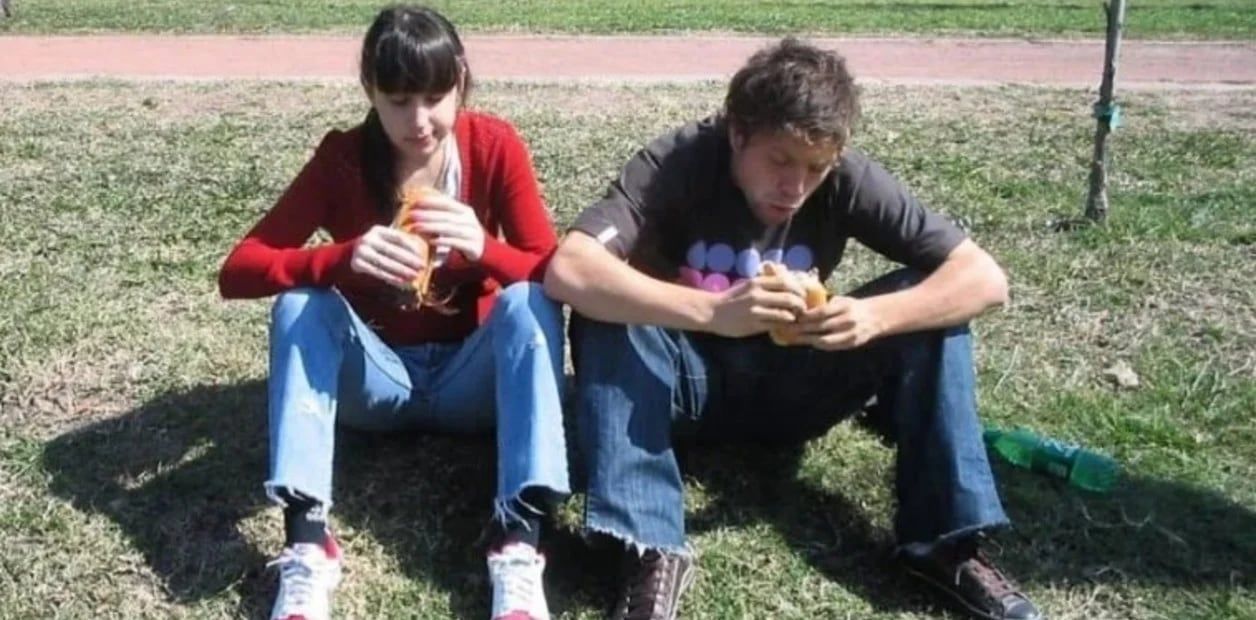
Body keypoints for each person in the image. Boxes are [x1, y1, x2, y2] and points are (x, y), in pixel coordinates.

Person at [544, 38, 1042, 620]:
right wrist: (711, 312)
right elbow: (569, 267)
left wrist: (871, 317)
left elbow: (984, 279)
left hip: (797, 383)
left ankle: (941, 543)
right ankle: (648, 548)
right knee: (607, 313)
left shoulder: (845, 177)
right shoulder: (680, 160)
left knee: (929, 304)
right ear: (737, 134)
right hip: (679, 387)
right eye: (780, 161)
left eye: (815, 168)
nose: (796, 186)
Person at [218, 6, 567, 620]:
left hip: (471, 382)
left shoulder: (493, 148)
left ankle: (519, 542)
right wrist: (343, 259)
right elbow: (240, 269)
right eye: (399, 99)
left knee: (528, 301)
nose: (421, 121)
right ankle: (307, 546)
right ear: (369, 92)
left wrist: (485, 248)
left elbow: (556, 275)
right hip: (376, 384)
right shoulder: (345, 159)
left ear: (461, 82)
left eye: (436, 97)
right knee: (301, 304)